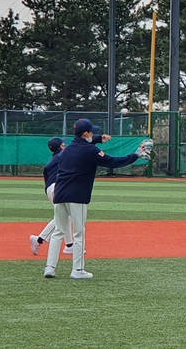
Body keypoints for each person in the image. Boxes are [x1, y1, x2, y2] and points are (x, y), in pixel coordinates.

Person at [44, 119, 146, 279]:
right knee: (79, 233)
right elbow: (113, 161)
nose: (94, 134)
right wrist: (135, 155)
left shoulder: (66, 150)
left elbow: (82, 144)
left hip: (59, 194)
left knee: (58, 232)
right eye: (92, 132)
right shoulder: (90, 151)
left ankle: (49, 267)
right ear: (86, 134)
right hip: (77, 195)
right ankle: (77, 270)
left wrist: (99, 139)